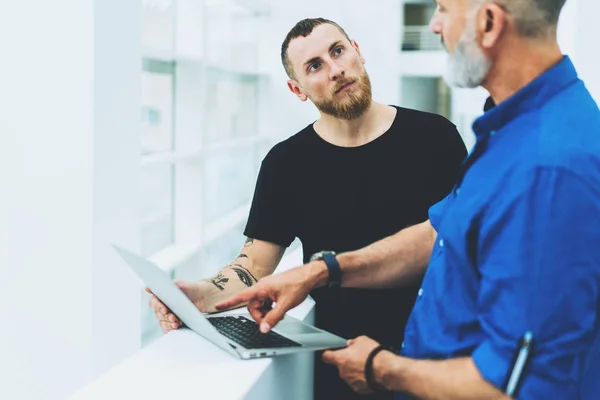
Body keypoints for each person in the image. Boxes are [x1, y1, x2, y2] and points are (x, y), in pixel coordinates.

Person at [216, 1, 600, 399]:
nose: (434, 26)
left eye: (443, 10)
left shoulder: (550, 166)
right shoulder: (510, 132)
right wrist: (323, 271)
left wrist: (379, 367)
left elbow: (523, 387)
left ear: (488, 23)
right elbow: (442, 232)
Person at [147, 18, 467, 400]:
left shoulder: (436, 137)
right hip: (340, 369)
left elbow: (465, 244)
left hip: (433, 360)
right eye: (314, 65)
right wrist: (197, 295)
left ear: (358, 51)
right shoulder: (286, 164)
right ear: (297, 89)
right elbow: (253, 266)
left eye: (338, 51)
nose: (336, 70)